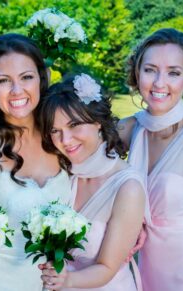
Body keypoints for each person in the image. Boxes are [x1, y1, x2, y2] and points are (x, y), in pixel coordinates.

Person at [0, 33, 71, 291]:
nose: (17, 91)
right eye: (4, 81)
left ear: (42, 79)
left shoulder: (62, 135)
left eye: (26, 77)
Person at [38, 73, 145, 290]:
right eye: (55, 131)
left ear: (97, 121)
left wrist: (67, 280)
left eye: (74, 125)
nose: (65, 140)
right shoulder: (60, 172)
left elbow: (107, 267)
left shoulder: (127, 188)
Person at [118, 28, 183, 291]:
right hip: (143, 268)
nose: (159, 83)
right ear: (137, 73)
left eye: (173, 73)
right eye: (150, 69)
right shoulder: (129, 129)